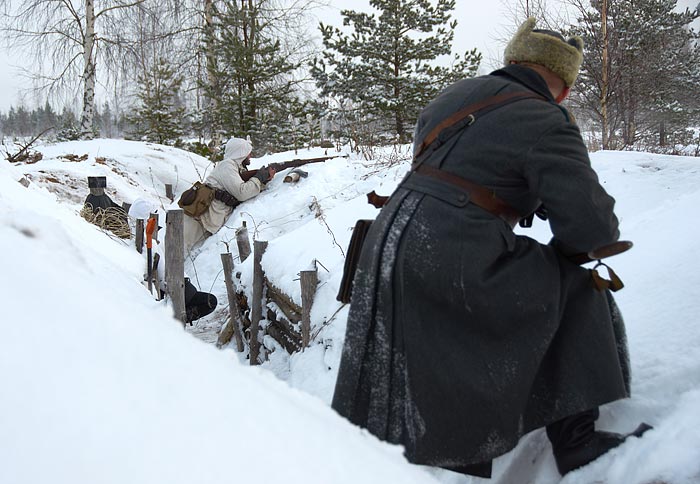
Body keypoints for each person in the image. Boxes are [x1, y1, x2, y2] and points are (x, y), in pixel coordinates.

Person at [331, 18, 648, 479]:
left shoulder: (453, 96)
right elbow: (592, 227)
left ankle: (378, 457)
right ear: (563, 86)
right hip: (453, 245)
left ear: (514, 61)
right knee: (576, 288)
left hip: (388, 238)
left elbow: (461, 170)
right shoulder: (547, 119)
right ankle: (578, 444)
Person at [183, 137, 275, 252]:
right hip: (199, 217)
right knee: (180, 250)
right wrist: (259, 178)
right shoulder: (227, 165)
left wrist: (263, 181)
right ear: (241, 153)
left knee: (192, 254)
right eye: (248, 152)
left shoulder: (234, 168)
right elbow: (242, 193)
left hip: (208, 217)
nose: (250, 155)